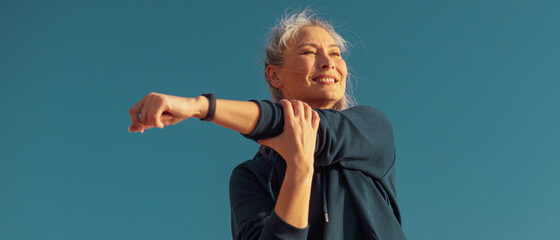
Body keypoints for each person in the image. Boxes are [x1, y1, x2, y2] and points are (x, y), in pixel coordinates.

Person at [127, 9, 406, 240]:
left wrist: (200, 107)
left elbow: (308, 127)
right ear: (274, 75)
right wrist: (299, 169)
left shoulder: (371, 128)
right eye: (309, 52)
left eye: (335, 53)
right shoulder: (251, 176)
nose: (327, 63)